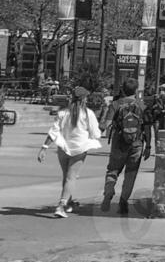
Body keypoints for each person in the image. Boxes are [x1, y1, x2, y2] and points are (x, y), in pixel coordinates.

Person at [37, 86, 102, 218]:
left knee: (66, 176)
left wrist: (44, 148)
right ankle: (61, 206)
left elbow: (54, 132)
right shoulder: (88, 114)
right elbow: (96, 133)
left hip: (63, 148)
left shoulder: (62, 113)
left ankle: (68, 201)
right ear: (84, 99)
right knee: (71, 177)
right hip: (80, 148)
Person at [101, 78, 151, 215]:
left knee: (113, 170)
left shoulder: (116, 104)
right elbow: (147, 127)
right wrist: (149, 146)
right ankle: (123, 202)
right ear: (136, 90)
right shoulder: (142, 106)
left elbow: (107, 124)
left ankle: (108, 192)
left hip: (119, 142)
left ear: (123, 89)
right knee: (131, 174)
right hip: (136, 143)